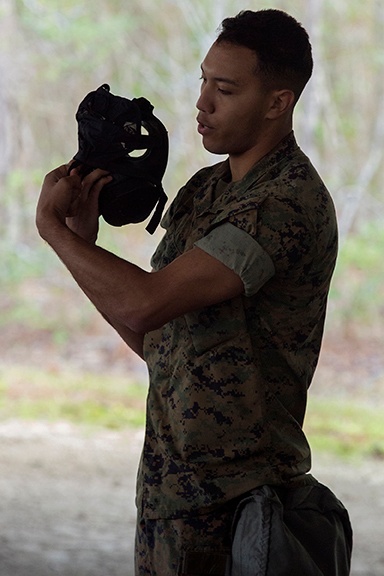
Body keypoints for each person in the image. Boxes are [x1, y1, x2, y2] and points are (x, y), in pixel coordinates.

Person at [36, 9, 352, 576]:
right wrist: (85, 244)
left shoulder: (282, 201)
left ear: (278, 102)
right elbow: (161, 338)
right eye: (203, 81)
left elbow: (145, 302)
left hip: (237, 504)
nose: (201, 104)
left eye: (225, 89)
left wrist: (56, 233)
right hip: (171, 494)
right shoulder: (208, 190)